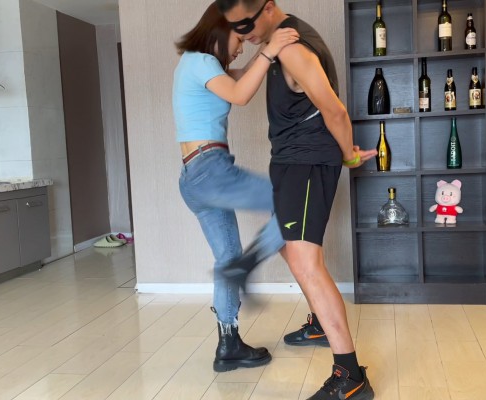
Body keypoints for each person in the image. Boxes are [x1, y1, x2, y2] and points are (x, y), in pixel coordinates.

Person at [216, 1, 377, 399]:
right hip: (291, 162)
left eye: (246, 24)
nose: (243, 34)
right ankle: (321, 324)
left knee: (306, 262)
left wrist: (349, 155)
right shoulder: (273, 44)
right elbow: (243, 78)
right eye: (236, 28)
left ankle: (350, 376)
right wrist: (206, 64)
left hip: (306, 162)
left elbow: (334, 111)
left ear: (268, 7)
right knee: (288, 247)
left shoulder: (292, 47)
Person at [173, 2, 299, 372]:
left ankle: (228, 345)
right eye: (239, 37)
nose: (241, 46)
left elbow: (242, 77)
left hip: (193, 178)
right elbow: (241, 94)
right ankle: (247, 266)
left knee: (225, 258)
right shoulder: (201, 61)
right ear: (221, 28)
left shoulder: (195, 65)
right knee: (290, 201)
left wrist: (268, 49)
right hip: (210, 170)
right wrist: (272, 50)